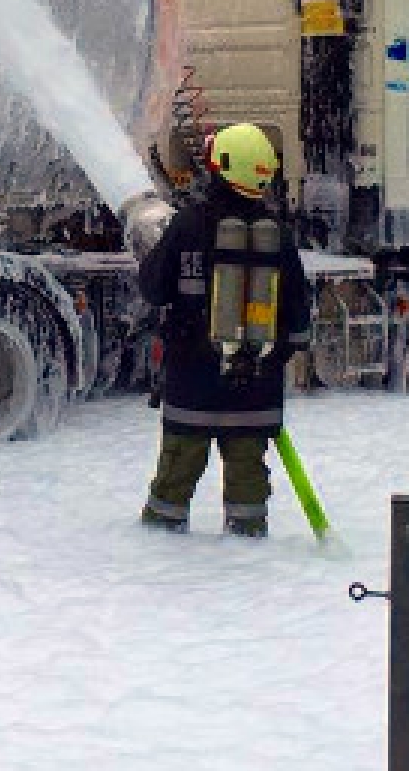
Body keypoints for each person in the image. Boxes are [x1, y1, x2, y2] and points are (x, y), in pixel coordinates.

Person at [138, 122, 312, 537]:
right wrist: (265, 360)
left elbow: (153, 288)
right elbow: (297, 312)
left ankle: (159, 556)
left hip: (191, 385)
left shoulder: (187, 225)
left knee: (171, 493)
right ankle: (248, 555)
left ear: (217, 169)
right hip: (254, 390)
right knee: (249, 497)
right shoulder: (278, 235)